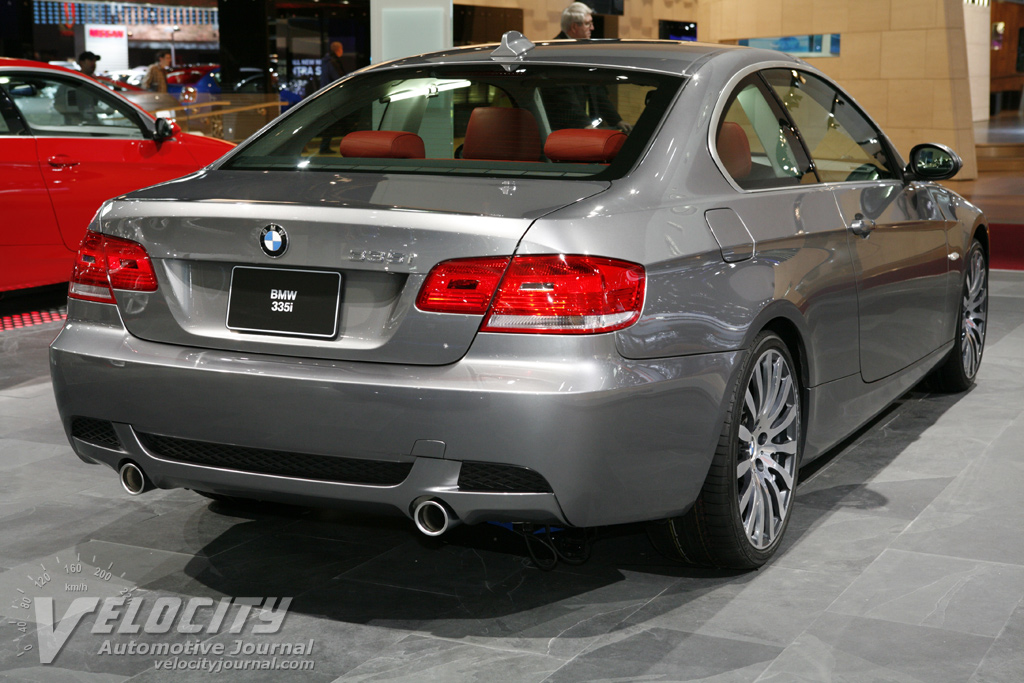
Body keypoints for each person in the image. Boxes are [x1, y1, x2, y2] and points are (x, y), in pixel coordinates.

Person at [545, 3, 632, 133]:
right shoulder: (554, 53)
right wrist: (584, 124)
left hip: (585, 127)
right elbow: (563, 96)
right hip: (564, 130)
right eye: (588, 24)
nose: (592, 28)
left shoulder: (584, 49)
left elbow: (597, 90)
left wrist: (616, 120)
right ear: (574, 27)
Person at [318, 41, 348, 153]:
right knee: (333, 122)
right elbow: (337, 78)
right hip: (332, 96)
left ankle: (324, 146)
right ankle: (325, 146)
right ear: (339, 50)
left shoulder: (326, 61)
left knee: (331, 121)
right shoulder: (333, 62)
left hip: (326, 95)